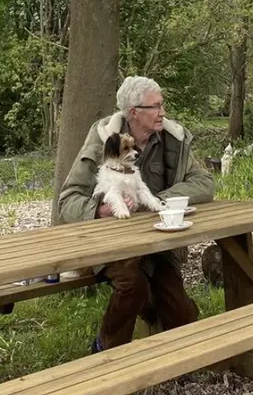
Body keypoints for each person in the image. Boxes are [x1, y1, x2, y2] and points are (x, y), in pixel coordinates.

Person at [58, 75, 214, 352]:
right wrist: (99, 210)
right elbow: (68, 200)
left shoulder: (173, 139)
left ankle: (172, 354)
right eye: (155, 107)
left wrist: (155, 201)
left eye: (162, 105)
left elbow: (204, 183)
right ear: (133, 113)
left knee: (181, 312)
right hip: (113, 243)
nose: (162, 112)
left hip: (159, 242)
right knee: (133, 286)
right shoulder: (103, 140)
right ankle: (106, 352)